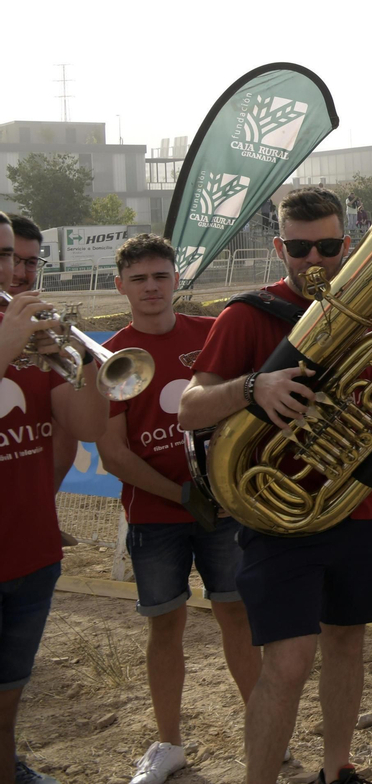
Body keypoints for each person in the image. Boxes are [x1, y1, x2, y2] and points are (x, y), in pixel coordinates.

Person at [179, 188, 372, 784]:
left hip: (356, 508)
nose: (315, 260)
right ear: (280, 246)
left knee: (347, 643)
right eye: (301, 247)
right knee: (287, 660)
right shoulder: (247, 314)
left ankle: (338, 768)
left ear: (347, 245)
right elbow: (189, 408)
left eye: (328, 246)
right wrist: (254, 387)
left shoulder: (366, 312)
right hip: (279, 515)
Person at [95, 235, 261, 784]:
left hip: (224, 508)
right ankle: (169, 744)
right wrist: (181, 496)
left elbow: (240, 408)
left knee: (237, 615)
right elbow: (114, 454)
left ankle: (263, 729)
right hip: (155, 517)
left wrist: (220, 486)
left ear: (175, 280)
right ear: (121, 287)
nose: (150, 288)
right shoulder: (110, 357)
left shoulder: (209, 334)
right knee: (165, 628)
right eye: (138, 279)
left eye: (160, 276)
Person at [1, 211, 109, 784]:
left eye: (20, 258)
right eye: (2, 257)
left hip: (32, 553)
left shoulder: (36, 344)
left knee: (7, 703)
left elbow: (89, 427)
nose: (15, 272)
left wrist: (91, 364)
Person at [0, 217, 76, 497]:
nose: (18, 273)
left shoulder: (39, 328)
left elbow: (74, 430)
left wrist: (42, 504)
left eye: (30, 262)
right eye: (11, 258)